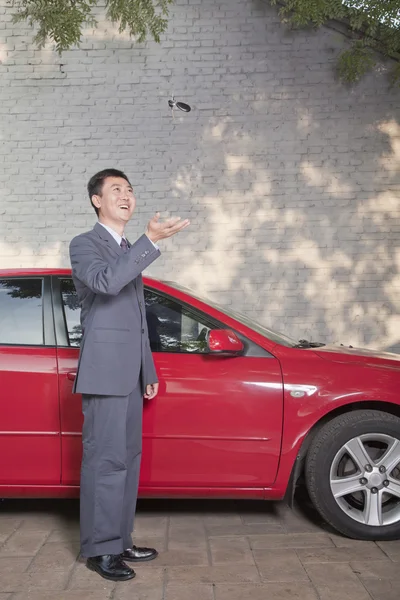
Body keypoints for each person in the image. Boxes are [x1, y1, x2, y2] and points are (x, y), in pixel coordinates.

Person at [69, 168, 189, 582]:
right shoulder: (86, 245)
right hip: (103, 374)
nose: (126, 196)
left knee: (128, 461)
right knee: (105, 462)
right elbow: (105, 284)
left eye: (130, 190)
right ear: (96, 200)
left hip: (131, 375)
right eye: (116, 190)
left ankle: (119, 540)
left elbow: (137, 320)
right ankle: (98, 550)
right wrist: (150, 241)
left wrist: (148, 368)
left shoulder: (127, 249)